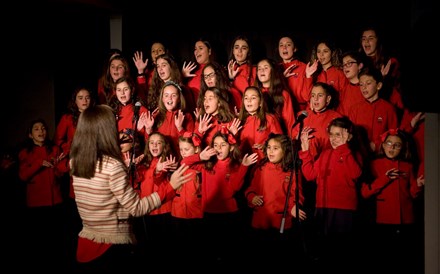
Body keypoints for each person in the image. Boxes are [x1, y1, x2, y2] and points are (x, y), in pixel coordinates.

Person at [69, 104, 191, 273]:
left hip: (87, 242)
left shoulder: (75, 162)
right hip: (111, 247)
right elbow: (137, 208)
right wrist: (170, 187)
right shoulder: (112, 166)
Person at [181, 128, 258, 265]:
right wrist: (200, 157)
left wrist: (244, 167)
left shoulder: (235, 165)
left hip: (228, 214)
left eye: (223, 145)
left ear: (231, 147)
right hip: (209, 213)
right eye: (215, 145)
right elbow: (184, 164)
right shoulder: (207, 164)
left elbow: (233, 189)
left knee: (228, 252)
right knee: (211, 252)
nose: (219, 148)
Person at [299, 116, 363, 273]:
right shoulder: (325, 154)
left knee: (341, 249)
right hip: (323, 206)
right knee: (323, 248)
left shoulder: (352, 154)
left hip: (344, 209)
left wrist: (344, 147)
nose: (334, 139)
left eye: (339, 135)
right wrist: (306, 151)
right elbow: (310, 175)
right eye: (332, 134)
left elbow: (355, 174)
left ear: (348, 136)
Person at [360, 128, 424, 273]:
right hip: (383, 219)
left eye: (397, 145)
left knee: (403, 259)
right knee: (384, 258)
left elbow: (413, 194)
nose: (392, 147)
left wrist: (418, 185)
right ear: (383, 145)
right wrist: (385, 178)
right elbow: (365, 192)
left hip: (406, 219)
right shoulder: (374, 164)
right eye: (389, 143)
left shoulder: (408, 166)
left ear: (403, 148)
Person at [244, 133, 306, 271]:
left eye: (275, 148)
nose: (271, 151)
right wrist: (252, 197)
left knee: (278, 260)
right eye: (269, 147)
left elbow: (296, 193)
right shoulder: (262, 168)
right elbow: (250, 189)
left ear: (285, 151)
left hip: (281, 222)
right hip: (261, 221)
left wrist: (294, 206)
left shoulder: (291, 171)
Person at [18, 118, 70, 271]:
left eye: (43, 129)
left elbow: (60, 175)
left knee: (55, 240)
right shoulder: (25, 152)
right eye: (36, 129)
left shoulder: (54, 150)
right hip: (36, 205)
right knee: (39, 242)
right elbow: (23, 175)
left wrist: (58, 166)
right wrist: (38, 163)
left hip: (55, 201)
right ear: (30, 135)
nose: (41, 131)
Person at [348, 66, 398, 154]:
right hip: (360, 156)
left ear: (378, 86)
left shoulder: (388, 108)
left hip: (381, 156)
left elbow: (393, 134)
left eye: (368, 83)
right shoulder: (354, 109)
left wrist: (377, 145)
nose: (364, 88)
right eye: (361, 84)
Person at [137, 80, 195, 155]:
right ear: (162, 99)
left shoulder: (186, 116)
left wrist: (180, 128)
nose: (169, 98)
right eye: (166, 95)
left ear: (179, 99)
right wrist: (149, 129)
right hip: (161, 160)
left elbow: (190, 144)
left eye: (173, 95)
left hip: (179, 158)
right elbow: (150, 145)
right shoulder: (156, 115)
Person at [237, 86, 283, 159]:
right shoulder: (239, 121)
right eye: (246, 98)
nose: (249, 101)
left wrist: (266, 146)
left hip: (264, 160)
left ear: (260, 102)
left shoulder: (270, 119)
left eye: (253, 98)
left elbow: (280, 141)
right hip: (245, 161)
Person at [256, 58, 296, 135]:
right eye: (259, 69)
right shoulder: (253, 93)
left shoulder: (283, 94)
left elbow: (289, 121)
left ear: (273, 71)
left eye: (266, 68)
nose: (262, 71)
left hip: (276, 137)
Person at [277, 35, 310, 112]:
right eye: (281, 45)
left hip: (299, 110)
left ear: (295, 49)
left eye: (288, 45)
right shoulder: (275, 68)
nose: (284, 48)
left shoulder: (304, 67)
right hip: (281, 109)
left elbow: (308, 96)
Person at [182, 38, 213, 105]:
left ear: (209, 51)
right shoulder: (191, 70)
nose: (197, 52)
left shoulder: (216, 70)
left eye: (200, 48)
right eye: (195, 49)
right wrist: (182, 77)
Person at [337, 50, 366, 116]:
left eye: (349, 63)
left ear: (360, 66)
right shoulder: (343, 91)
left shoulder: (367, 88)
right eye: (344, 64)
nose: (345, 67)